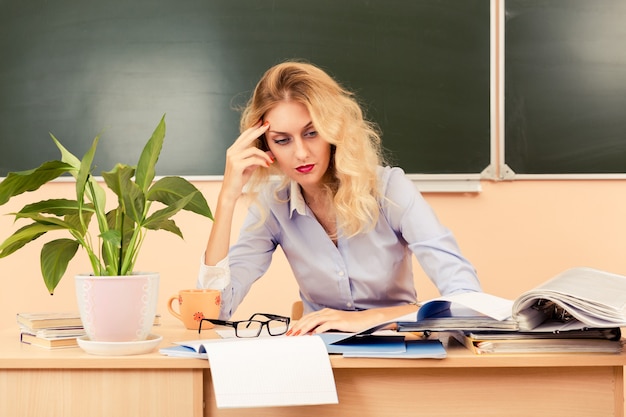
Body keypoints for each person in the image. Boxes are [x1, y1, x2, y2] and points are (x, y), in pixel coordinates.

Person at [197, 60, 482, 335]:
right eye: (282, 140)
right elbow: (214, 314)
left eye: (312, 133)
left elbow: (468, 300)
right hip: (320, 359)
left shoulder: (390, 189)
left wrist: (373, 319)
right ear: (264, 145)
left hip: (397, 354)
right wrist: (227, 198)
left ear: (333, 130)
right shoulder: (273, 205)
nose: (300, 153)